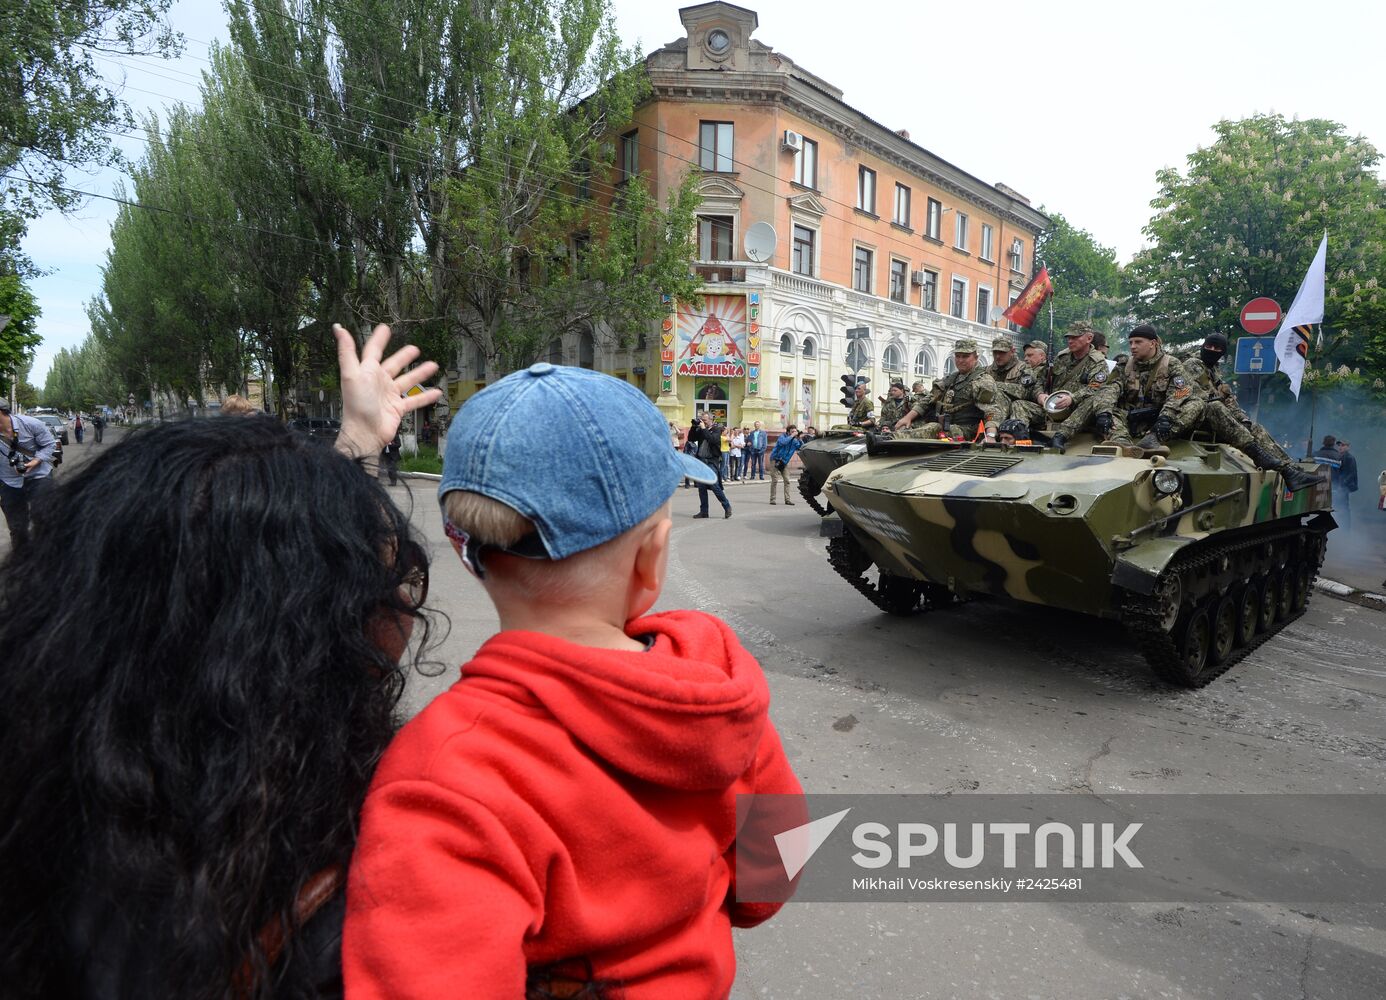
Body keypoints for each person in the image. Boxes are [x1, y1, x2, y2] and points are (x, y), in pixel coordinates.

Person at [0, 323, 441, 999]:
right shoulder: (352, 894)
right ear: (294, 644)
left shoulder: (58, 794)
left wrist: (355, 444)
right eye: (386, 580)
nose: (397, 603)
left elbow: (252, 557)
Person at [343, 364, 800, 998]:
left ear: (467, 555)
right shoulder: (720, 684)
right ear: (652, 559)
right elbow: (773, 876)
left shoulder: (444, 771)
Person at [1186, 333, 1321, 491]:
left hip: (1217, 418)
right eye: (1209, 346)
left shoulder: (1214, 370)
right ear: (1203, 346)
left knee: (1255, 428)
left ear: (1222, 352)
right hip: (1196, 414)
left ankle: (1290, 470)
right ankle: (1261, 457)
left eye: (1217, 348)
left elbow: (1229, 401)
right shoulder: (1192, 365)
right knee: (1215, 406)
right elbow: (1205, 398)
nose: (1212, 350)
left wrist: (1244, 420)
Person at [1104, 324, 1204, 454]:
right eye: (1131, 342)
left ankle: (1153, 439)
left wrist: (1166, 416)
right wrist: (1104, 413)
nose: (1133, 346)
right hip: (1129, 418)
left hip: (1159, 419)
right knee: (1105, 406)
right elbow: (1109, 389)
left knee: (1196, 403)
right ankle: (1121, 441)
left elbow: (1179, 393)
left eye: (1138, 342)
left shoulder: (1171, 364)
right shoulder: (1124, 365)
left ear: (1153, 343)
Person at [893, 340, 1002, 442]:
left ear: (976, 357)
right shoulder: (951, 379)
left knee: (934, 428)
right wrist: (907, 418)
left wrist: (990, 436)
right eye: (957, 356)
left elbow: (992, 411)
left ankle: (895, 438)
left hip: (968, 431)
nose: (960, 360)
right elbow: (928, 400)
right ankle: (895, 436)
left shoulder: (983, 381)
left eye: (965, 356)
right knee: (910, 425)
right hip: (946, 426)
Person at [0, 401, 59, 550]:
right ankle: (21, 558)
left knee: (43, 516)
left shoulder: (31, 424)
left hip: (39, 475)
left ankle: (46, 553)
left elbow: (50, 444)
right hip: (9, 481)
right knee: (17, 527)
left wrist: (36, 461)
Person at [689, 411, 732, 518]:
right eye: (701, 420)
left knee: (714, 485)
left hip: (711, 461)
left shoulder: (717, 429)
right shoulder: (701, 429)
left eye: (705, 420)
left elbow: (712, 440)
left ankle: (727, 506)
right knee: (701, 487)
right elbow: (691, 438)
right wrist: (693, 427)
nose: (702, 422)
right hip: (701, 461)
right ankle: (704, 512)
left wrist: (703, 429)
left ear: (711, 420)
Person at [986, 335, 1037, 422]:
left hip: (1015, 411)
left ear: (1012, 351)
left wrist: (995, 385)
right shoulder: (987, 371)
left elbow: (1025, 392)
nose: (998, 356)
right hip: (991, 410)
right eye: (995, 352)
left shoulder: (1024, 368)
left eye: (1002, 352)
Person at [769, 425, 803, 504]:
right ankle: (772, 499)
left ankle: (787, 500)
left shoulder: (794, 440)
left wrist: (799, 439)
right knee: (775, 480)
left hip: (784, 462)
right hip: (775, 459)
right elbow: (783, 443)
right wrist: (792, 436)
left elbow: (801, 447)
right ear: (788, 432)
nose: (794, 433)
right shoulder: (782, 436)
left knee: (787, 480)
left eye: (795, 431)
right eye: (792, 431)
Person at [1336, 439, 1359, 529]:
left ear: (1348, 447)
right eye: (1339, 445)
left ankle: (1345, 528)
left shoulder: (1350, 458)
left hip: (1344, 487)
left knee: (1344, 508)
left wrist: (1342, 484)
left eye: (1343, 445)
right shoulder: (1339, 457)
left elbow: (1352, 473)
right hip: (1340, 486)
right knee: (1340, 506)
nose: (1340, 447)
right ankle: (1341, 527)